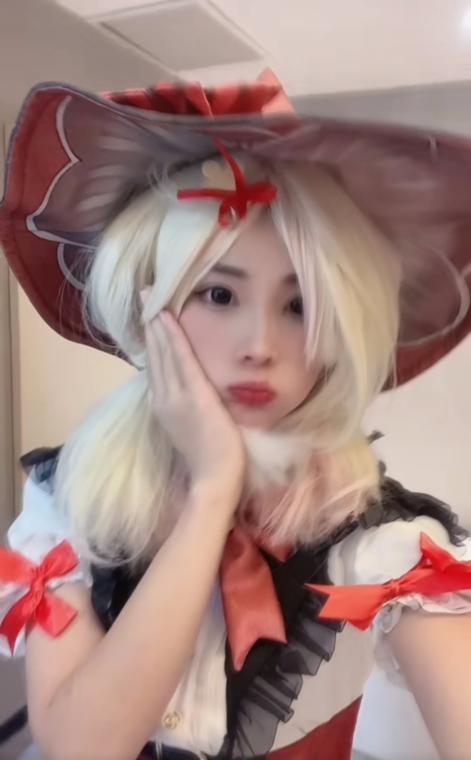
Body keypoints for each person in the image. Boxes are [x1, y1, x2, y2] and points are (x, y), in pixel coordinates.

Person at [0, 70, 471, 760]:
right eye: (219, 295)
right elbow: (80, 748)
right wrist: (211, 491)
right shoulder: (69, 498)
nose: (259, 346)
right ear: (150, 304)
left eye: (299, 306)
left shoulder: (382, 540)